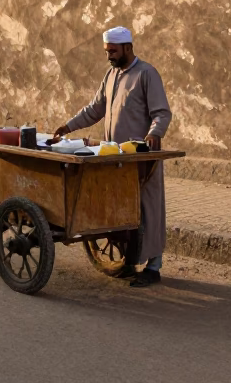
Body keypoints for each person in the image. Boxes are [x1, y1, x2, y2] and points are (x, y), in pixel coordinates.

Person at [51, 26, 171, 288]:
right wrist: (68, 126)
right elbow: (95, 109)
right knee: (120, 210)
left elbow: (162, 113)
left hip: (140, 158)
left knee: (147, 209)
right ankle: (127, 260)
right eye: (107, 51)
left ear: (128, 47)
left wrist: (154, 133)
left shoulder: (147, 74)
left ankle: (154, 266)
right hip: (113, 158)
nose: (109, 56)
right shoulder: (111, 75)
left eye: (113, 51)